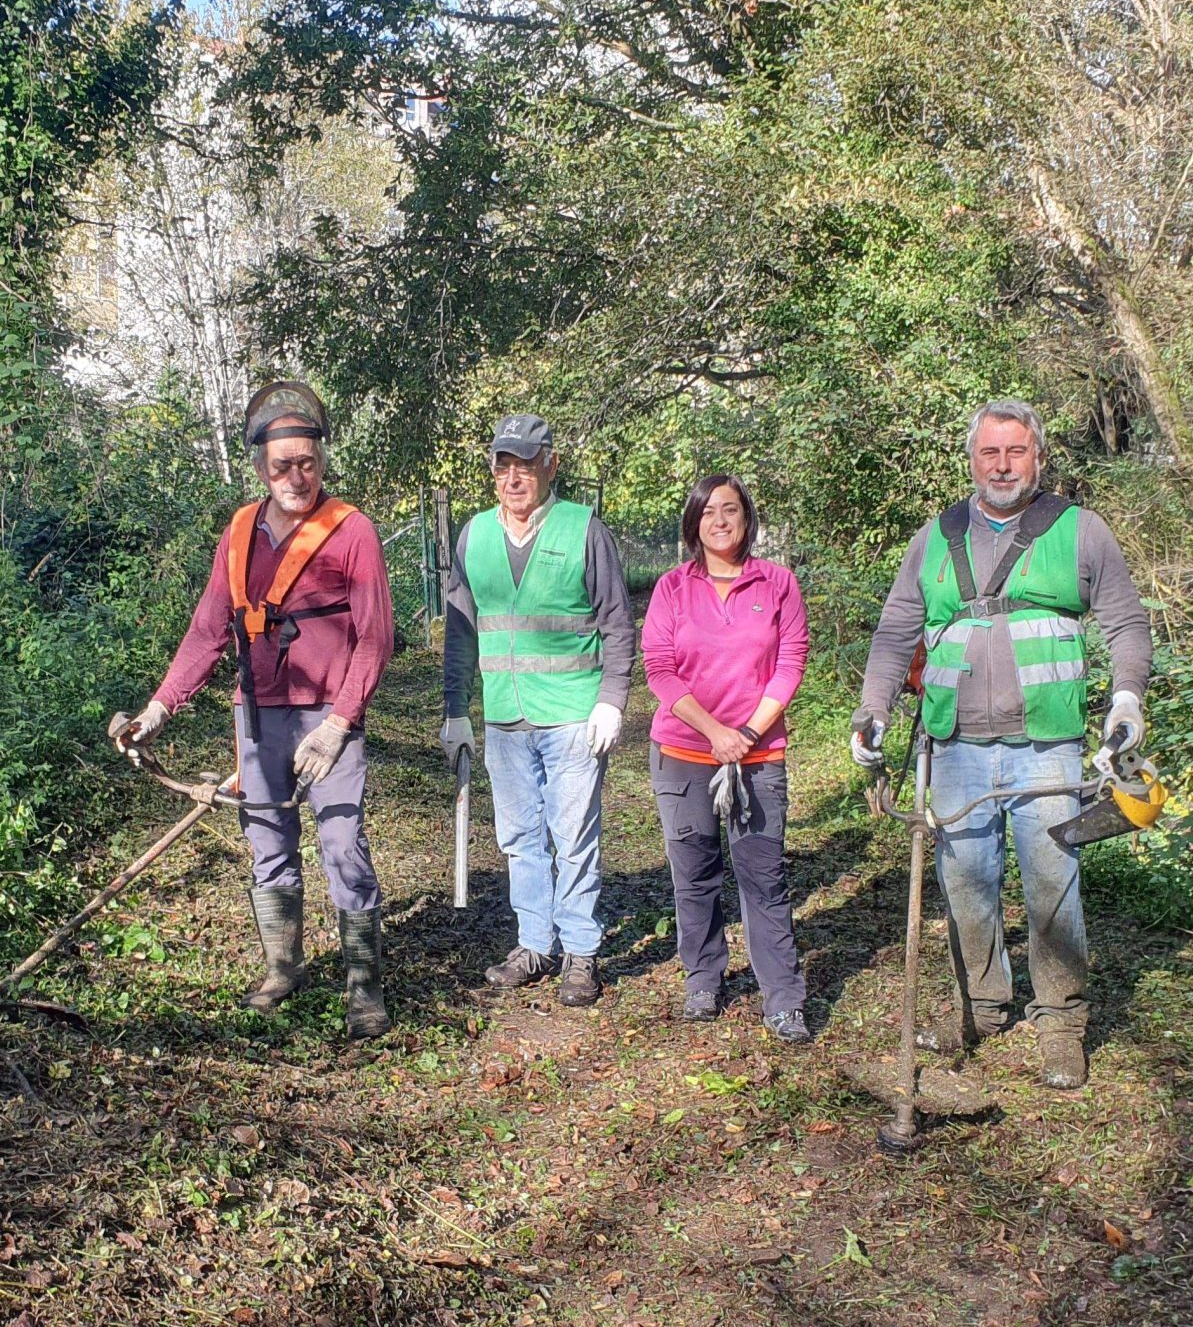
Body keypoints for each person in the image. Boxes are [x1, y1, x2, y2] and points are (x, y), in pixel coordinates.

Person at [849, 400, 1152, 1091]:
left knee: (1052, 886)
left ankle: (1061, 1027)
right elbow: (897, 631)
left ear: (1038, 458)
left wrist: (1128, 696)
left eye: (1017, 451)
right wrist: (873, 712)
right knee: (967, 885)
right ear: (972, 459)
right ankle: (981, 1008)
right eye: (991, 452)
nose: (1003, 465)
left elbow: (1127, 623)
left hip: (1045, 743)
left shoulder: (1079, 532)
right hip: (954, 744)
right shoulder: (936, 537)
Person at [114, 381, 397, 1039]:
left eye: (308, 462)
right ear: (259, 467)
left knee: (343, 847)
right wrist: (157, 710)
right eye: (281, 466)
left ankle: (364, 985)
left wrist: (338, 723)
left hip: (330, 718)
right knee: (269, 848)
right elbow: (207, 632)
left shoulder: (352, 531)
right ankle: (284, 967)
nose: (296, 477)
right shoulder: (240, 531)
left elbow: (376, 637)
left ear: (322, 459)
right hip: (259, 716)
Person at [440, 415, 636, 1008]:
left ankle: (580, 950)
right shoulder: (473, 536)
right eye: (504, 465)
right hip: (504, 716)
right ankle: (534, 943)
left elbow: (617, 622)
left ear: (550, 464)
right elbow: (460, 630)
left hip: (574, 714)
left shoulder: (583, 529)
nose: (513, 476)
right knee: (521, 838)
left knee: (573, 835)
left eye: (525, 464)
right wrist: (455, 708)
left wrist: (612, 699)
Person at [641, 473, 813, 1043]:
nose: (720, 520)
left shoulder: (779, 583)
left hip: (758, 754)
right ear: (694, 521)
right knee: (694, 872)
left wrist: (745, 733)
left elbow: (790, 664)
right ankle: (703, 979)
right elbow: (660, 670)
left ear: (747, 519)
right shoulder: (671, 588)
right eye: (709, 510)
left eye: (731, 510)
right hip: (684, 751)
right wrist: (715, 732)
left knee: (763, 875)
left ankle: (784, 999)